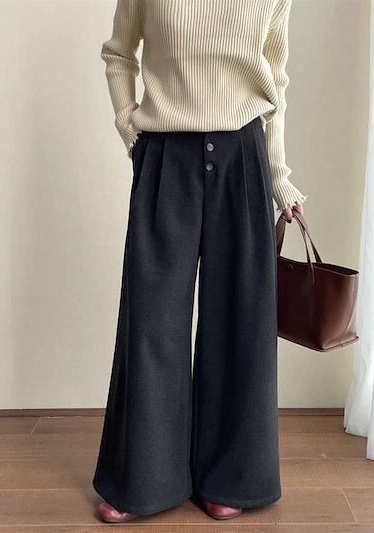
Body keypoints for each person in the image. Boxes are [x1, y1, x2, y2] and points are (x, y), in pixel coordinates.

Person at [93, 0, 307, 523]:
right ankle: (143, 479)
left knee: (240, 322)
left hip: (243, 157)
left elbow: (275, 81)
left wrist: (280, 179)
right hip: (165, 152)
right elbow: (119, 52)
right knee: (152, 321)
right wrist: (132, 132)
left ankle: (231, 476)